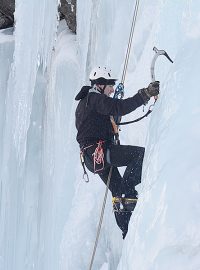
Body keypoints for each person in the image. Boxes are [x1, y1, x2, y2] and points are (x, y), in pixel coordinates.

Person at [75, 66, 159, 238]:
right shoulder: (94, 98)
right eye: (110, 85)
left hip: (93, 159)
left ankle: (126, 230)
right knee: (140, 155)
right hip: (100, 152)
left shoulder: (85, 102)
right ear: (100, 84)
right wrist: (145, 94)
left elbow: (99, 122)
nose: (112, 89)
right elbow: (119, 108)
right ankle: (127, 192)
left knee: (116, 192)